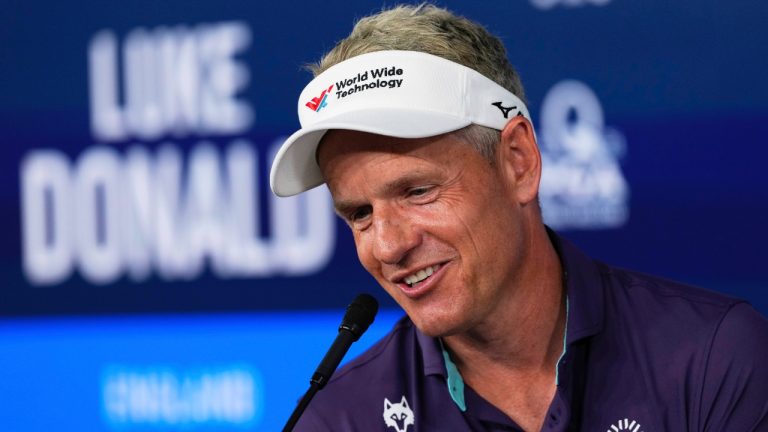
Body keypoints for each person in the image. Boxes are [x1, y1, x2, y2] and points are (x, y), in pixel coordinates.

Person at [270, 4, 768, 431]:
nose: (388, 246)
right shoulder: (341, 419)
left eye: (418, 191)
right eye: (359, 213)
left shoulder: (713, 356)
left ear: (518, 161)